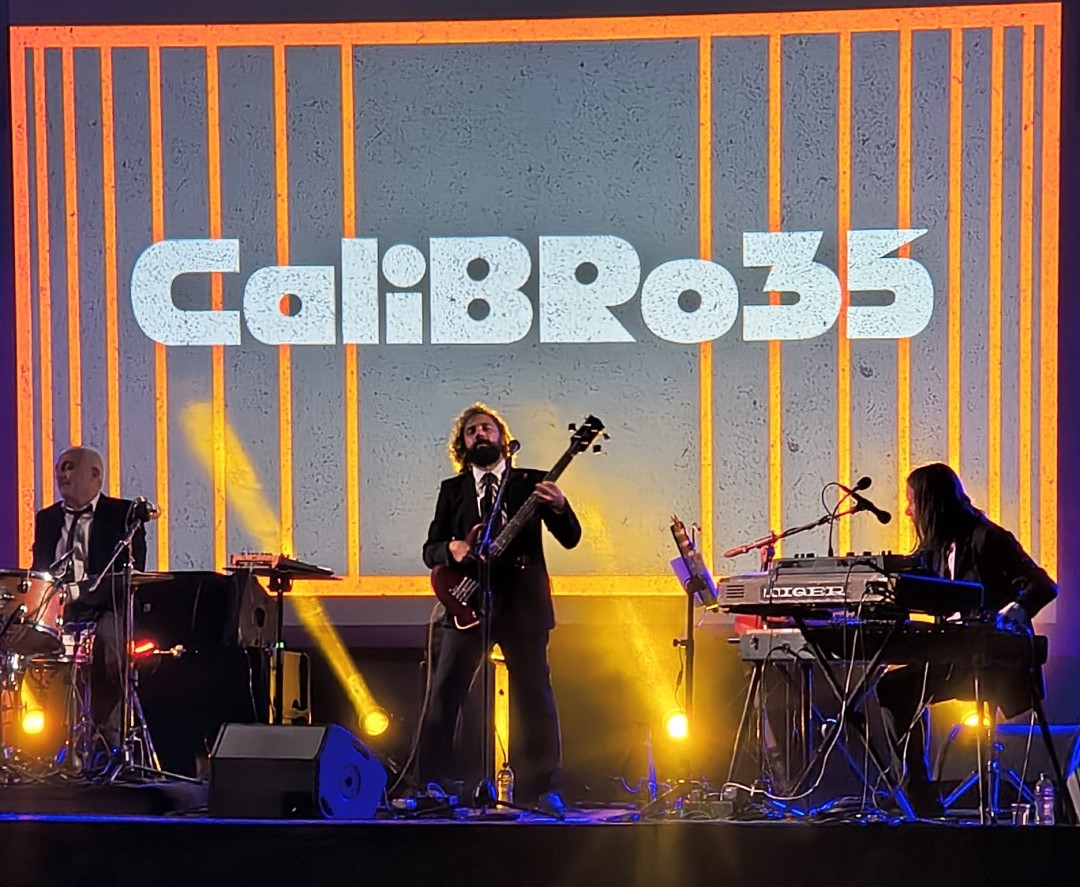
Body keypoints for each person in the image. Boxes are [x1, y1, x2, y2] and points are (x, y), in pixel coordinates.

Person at [419, 403, 581, 816]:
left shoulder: (531, 482)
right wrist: (452, 548)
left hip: (522, 606)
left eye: (487, 428)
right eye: (471, 430)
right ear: (462, 444)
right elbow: (430, 548)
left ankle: (543, 788)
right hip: (469, 603)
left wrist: (560, 506)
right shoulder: (451, 490)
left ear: (503, 438)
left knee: (535, 697)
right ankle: (433, 784)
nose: (480, 435)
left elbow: (570, 538)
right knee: (445, 693)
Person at [876, 462, 1057, 817]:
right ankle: (913, 793)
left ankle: (916, 795)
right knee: (893, 686)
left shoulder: (988, 539)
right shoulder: (935, 550)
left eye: (912, 502)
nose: (908, 511)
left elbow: (1044, 586)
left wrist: (1014, 612)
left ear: (932, 504)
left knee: (895, 689)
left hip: (992, 665)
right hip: (956, 659)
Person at [31, 445, 147, 754]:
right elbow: (38, 571)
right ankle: (40, 740)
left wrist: (79, 591)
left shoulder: (124, 515)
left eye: (69, 467)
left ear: (95, 474)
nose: (61, 474)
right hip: (58, 609)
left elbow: (127, 577)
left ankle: (106, 736)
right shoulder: (47, 519)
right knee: (21, 639)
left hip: (107, 606)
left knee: (110, 641)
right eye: (59, 467)